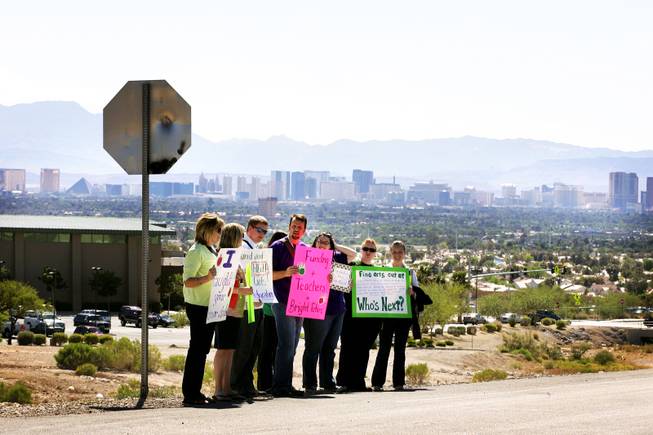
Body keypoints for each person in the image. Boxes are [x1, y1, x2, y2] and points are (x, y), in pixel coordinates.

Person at [302, 232, 356, 395]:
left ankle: (328, 382)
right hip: (317, 308)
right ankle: (310, 383)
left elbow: (353, 254)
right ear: (315, 243)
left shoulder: (338, 257)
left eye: (326, 242)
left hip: (337, 308)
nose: (322, 244)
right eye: (319, 242)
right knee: (313, 347)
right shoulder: (309, 258)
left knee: (330, 348)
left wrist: (334, 245)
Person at [181, 212, 224, 405]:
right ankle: (191, 393)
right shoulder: (196, 251)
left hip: (209, 305)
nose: (220, 234)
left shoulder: (210, 250)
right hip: (198, 306)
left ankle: (194, 391)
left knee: (202, 350)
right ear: (207, 230)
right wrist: (208, 277)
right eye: (218, 230)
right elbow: (187, 282)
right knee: (197, 350)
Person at [213, 223, 253, 401]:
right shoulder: (224, 256)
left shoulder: (235, 257)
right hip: (226, 309)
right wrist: (241, 291)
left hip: (236, 309)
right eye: (241, 236)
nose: (243, 240)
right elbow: (221, 286)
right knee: (223, 350)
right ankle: (218, 389)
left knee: (230, 349)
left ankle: (227, 387)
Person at [269, 214, 308, 397]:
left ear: (305, 230)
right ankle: (279, 386)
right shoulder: (277, 247)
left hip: (300, 302)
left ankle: (286, 384)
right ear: (288, 226)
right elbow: (266, 274)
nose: (296, 229)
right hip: (282, 300)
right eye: (294, 225)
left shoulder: (306, 249)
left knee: (292, 345)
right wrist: (285, 273)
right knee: (285, 344)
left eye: (300, 227)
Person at [230, 215, 269, 398]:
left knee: (255, 347)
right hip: (246, 306)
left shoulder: (257, 249)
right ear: (250, 228)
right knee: (244, 347)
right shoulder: (242, 248)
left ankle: (247, 385)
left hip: (258, 303)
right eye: (259, 230)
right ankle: (236, 385)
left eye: (265, 231)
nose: (262, 234)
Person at [336, 238, 382, 393]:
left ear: (375, 253)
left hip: (370, 318)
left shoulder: (379, 272)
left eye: (372, 250)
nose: (368, 252)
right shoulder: (351, 266)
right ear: (361, 250)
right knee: (348, 348)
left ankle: (358, 382)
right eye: (366, 249)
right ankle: (343, 382)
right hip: (350, 315)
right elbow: (340, 285)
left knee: (363, 350)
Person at [372, 240, 417, 391]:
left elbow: (419, 295)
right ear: (390, 252)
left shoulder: (410, 272)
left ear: (404, 253)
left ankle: (399, 383)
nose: (397, 255)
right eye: (394, 252)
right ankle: (377, 383)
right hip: (387, 315)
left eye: (400, 252)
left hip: (403, 317)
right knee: (383, 348)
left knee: (400, 350)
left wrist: (413, 292)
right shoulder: (383, 270)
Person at [257, 231, 287, 392]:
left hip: (275, 310)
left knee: (271, 349)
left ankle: (270, 383)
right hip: (269, 311)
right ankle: (265, 384)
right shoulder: (268, 261)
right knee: (268, 350)